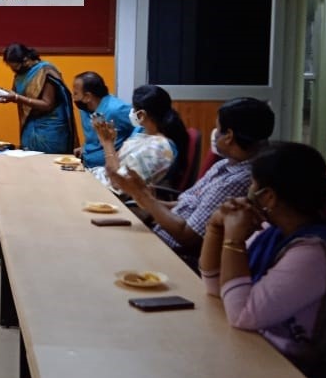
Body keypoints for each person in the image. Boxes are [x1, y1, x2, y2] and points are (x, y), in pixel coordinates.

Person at [199, 142, 326, 378]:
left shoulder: (313, 251)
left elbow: (241, 314)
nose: (248, 192)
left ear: (268, 196)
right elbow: (217, 288)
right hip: (257, 352)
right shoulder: (274, 231)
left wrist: (234, 239)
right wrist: (215, 226)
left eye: (253, 184)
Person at [113, 97, 275, 260]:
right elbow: (188, 205)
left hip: (174, 255)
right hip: (159, 235)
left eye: (218, 128)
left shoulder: (237, 181)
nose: (215, 133)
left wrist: (145, 199)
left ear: (229, 136)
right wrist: (145, 198)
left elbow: (187, 236)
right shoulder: (225, 164)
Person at [90, 84, 187, 192]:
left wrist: (107, 143)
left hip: (111, 195)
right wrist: (110, 142)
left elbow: (119, 184)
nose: (131, 112)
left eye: (134, 108)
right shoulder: (142, 134)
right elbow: (118, 164)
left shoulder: (157, 149)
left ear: (141, 115)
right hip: (101, 181)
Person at [0, 43, 76, 154]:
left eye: (16, 67)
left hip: (50, 127)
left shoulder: (45, 71)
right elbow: (16, 94)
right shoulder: (20, 74)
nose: (15, 71)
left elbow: (47, 104)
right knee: (29, 158)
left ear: (26, 60)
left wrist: (17, 97)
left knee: (49, 161)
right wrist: (1, 94)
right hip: (29, 124)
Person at [71, 71, 133, 167]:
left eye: (75, 93)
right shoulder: (84, 109)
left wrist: (125, 150)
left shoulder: (116, 109)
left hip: (108, 168)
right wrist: (85, 148)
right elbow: (93, 137)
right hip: (87, 164)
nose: (73, 98)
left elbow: (141, 127)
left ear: (87, 97)